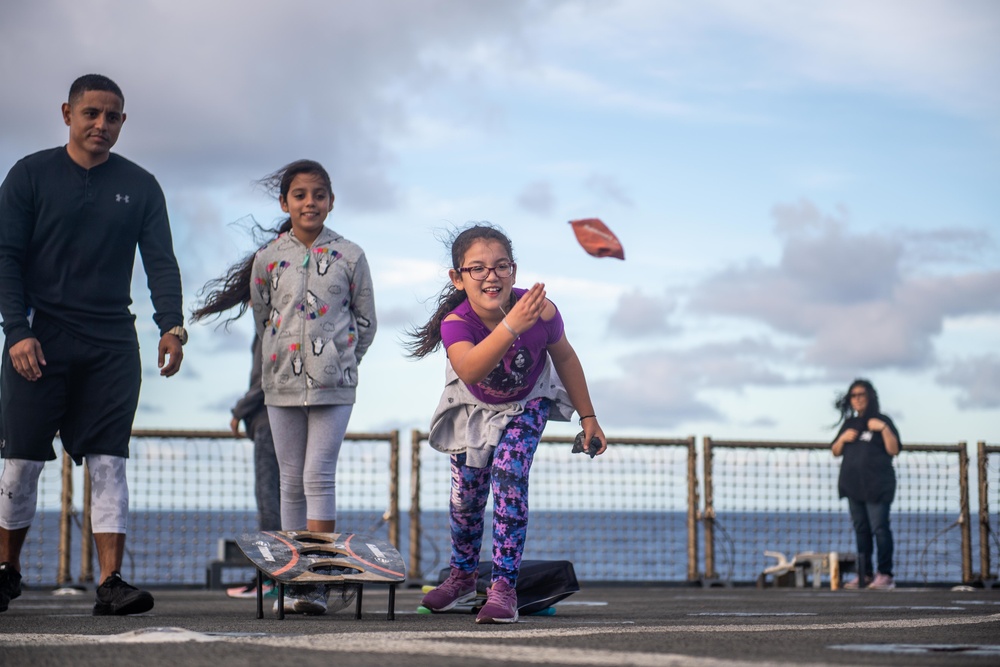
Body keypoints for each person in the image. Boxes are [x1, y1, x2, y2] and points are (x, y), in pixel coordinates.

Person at [0, 74, 186, 615]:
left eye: (112, 117)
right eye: (91, 114)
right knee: (21, 463)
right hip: (39, 340)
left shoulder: (142, 185)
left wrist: (171, 325)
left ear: (123, 122)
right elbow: (6, 257)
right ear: (67, 114)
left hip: (110, 343)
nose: (101, 125)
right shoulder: (29, 174)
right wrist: (17, 330)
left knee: (109, 461)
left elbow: (160, 261)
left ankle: (111, 583)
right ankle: (6, 572)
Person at [406, 223, 606, 624]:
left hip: (526, 402)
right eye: (477, 268)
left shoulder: (542, 312)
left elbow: (565, 358)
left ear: (514, 271)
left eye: (500, 266)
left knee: (510, 475)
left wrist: (588, 417)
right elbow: (472, 368)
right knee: (466, 498)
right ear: (457, 278)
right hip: (472, 406)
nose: (490, 276)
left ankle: (504, 588)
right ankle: (462, 577)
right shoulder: (456, 323)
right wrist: (512, 325)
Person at [249, 159, 377, 615]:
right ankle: (295, 579)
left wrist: (342, 365)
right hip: (280, 385)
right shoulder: (267, 258)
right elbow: (263, 316)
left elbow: (366, 322)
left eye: (318, 194)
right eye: (300, 195)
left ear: (331, 201)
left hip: (334, 387)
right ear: (285, 202)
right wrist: (278, 359)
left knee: (318, 475)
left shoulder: (351, 255)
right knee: (289, 481)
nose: (310, 202)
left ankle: (319, 577)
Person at [191, 233, 283, 599]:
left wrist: (239, 410)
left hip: (268, 420)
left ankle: (272, 578)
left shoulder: (272, 324)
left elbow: (268, 377)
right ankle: (279, 576)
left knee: (271, 501)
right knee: (290, 498)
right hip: (280, 417)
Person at [831, 378, 901, 590]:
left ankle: (885, 575)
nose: (857, 399)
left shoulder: (882, 420)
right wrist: (842, 439)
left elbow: (894, 450)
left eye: (861, 395)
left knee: (880, 529)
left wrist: (883, 428)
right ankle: (865, 574)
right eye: (853, 395)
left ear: (870, 397)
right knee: (861, 529)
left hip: (878, 486)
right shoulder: (849, 424)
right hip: (853, 486)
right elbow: (835, 451)